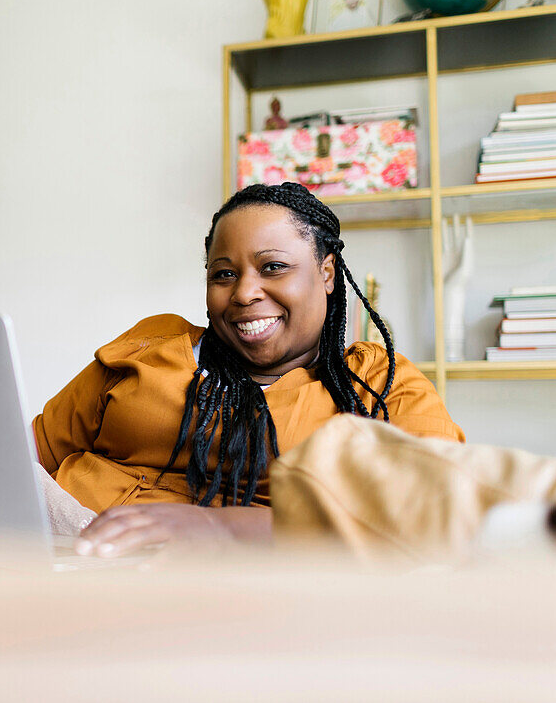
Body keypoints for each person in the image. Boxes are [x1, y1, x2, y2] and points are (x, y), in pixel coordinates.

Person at [32, 182, 464, 557]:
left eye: (273, 267)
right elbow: (28, 455)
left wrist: (220, 528)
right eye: (223, 274)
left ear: (327, 271)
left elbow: (437, 510)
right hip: (49, 554)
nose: (243, 293)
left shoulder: (374, 383)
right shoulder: (153, 345)